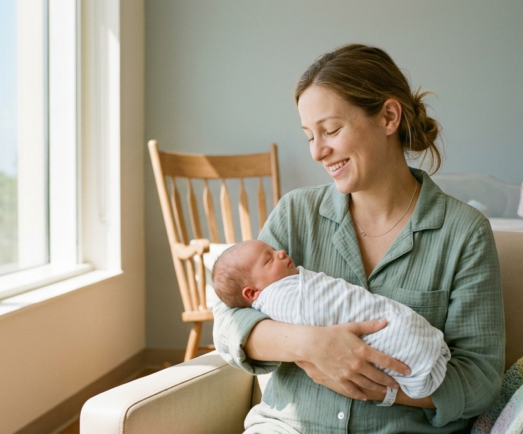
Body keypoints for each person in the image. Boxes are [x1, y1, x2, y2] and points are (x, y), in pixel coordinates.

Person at [212, 43, 505, 433]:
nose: (318, 152)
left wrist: (374, 384)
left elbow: (480, 380)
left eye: (331, 130)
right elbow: (229, 320)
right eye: (309, 136)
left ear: (388, 117)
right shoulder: (296, 213)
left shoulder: (464, 233)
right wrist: (312, 346)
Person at [211, 239, 451, 404]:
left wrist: (382, 394)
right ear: (252, 293)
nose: (281, 252)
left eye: (274, 250)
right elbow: (227, 324)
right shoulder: (279, 298)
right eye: (269, 259)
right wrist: (310, 343)